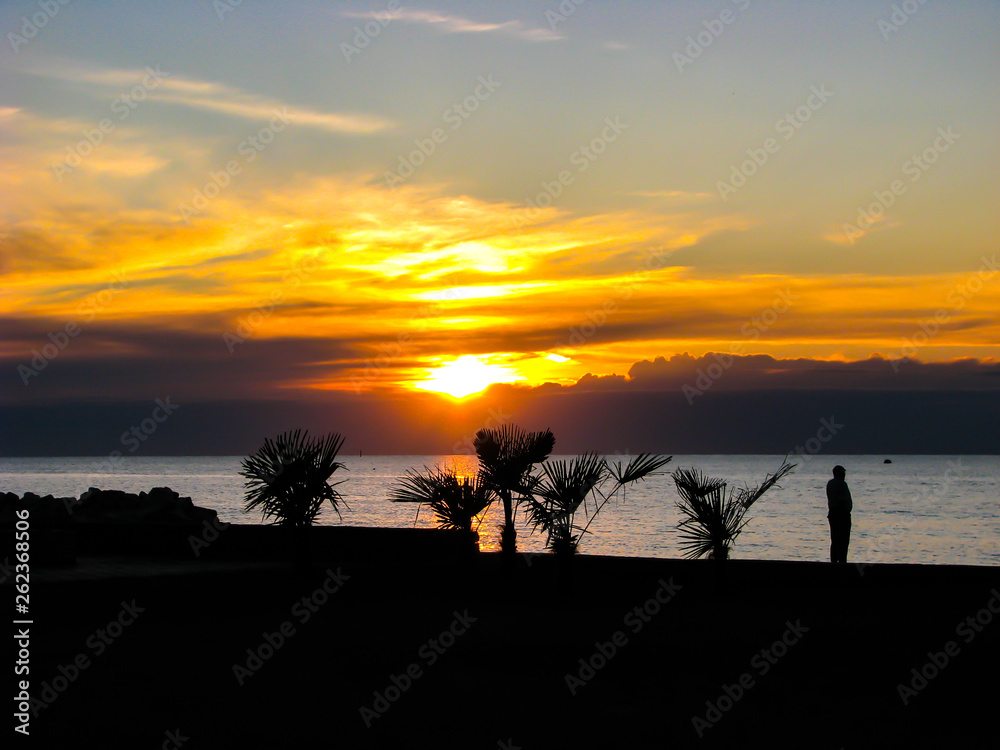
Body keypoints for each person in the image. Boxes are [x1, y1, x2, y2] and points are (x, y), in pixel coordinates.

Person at [826, 465, 852, 563]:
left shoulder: (830, 483)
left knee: (835, 539)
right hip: (842, 514)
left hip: (833, 513)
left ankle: (834, 561)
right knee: (844, 540)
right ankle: (842, 561)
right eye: (843, 473)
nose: (844, 475)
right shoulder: (842, 484)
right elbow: (843, 500)